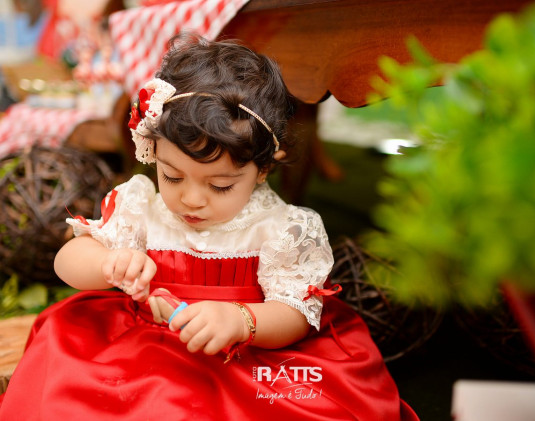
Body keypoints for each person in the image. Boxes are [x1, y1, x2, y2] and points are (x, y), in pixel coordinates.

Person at [0, 33, 418, 420]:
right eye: (172, 176)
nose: (191, 199)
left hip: (244, 357)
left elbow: (295, 315)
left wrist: (242, 321)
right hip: (140, 343)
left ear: (262, 169)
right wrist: (106, 262)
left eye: (219, 185)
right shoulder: (143, 207)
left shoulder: (280, 228)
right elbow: (67, 262)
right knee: (76, 387)